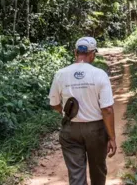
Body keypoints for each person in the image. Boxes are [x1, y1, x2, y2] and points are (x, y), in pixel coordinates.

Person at [49, 37, 117, 185]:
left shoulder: (61, 74)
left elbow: (54, 104)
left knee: (76, 175)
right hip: (96, 130)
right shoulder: (99, 74)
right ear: (93, 54)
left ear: (75, 52)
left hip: (70, 130)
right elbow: (107, 109)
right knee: (98, 170)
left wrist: (64, 113)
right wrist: (112, 137)